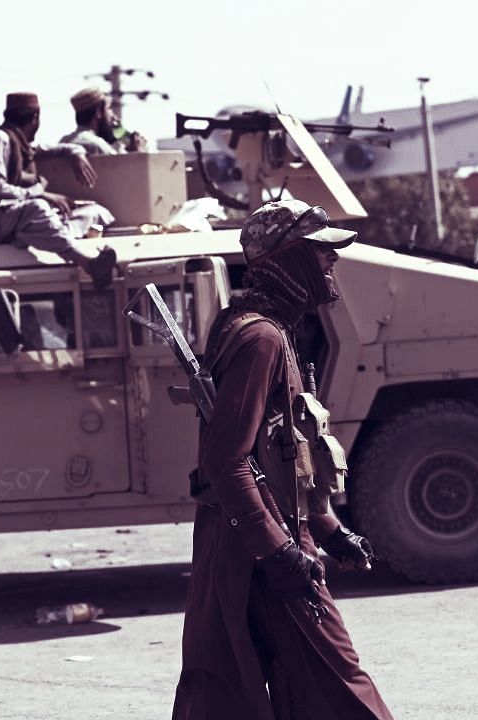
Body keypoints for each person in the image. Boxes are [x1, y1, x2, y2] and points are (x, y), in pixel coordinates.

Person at [172, 200, 394, 719]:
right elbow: (226, 459)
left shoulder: (261, 328)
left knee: (241, 695)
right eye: (321, 252)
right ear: (289, 259)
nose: (332, 263)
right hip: (257, 545)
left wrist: (329, 528)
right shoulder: (260, 338)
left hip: (253, 539)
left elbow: (286, 454)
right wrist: (277, 553)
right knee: (342, 688)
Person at [0, 92, 117, 289]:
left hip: (17, 219)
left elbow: (59, 148)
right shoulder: (0, 139)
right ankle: (88, 263)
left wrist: (76, 153)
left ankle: (40, 234)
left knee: (93, 211)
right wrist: (40, 192)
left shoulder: (22, 144)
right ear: (35, 117)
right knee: (38, 208)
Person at [59, 86, 147, 155]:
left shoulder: (63, 142)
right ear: (98, 113)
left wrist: (120, 136)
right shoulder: (98, 145)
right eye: (109, 109)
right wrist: (138, 152)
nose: (113, 115)